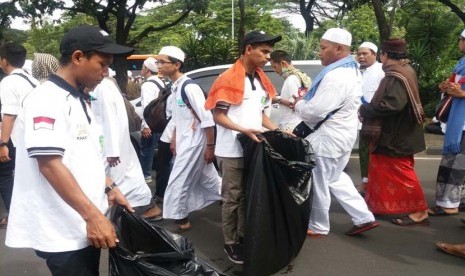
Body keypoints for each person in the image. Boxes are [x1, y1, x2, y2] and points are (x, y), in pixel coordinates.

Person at [5, 25, 134, 275]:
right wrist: (93, 217)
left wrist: (109, 187)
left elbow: (82, 156)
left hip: (83, 219)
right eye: (102, 64)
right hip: (63, 226)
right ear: (77, 57)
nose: (106, 73)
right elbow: (50, 165)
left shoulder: (79, 97)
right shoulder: (46, 99)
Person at [205, 30, 284, 264]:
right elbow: (218, 115)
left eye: (269, 52)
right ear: (249, 49)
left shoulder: (261, 80)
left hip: (254, 147)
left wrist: (278, 131)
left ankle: (244, 235)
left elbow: (260, 115)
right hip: (231, 150)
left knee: (249, 195)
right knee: (232, 197)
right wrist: (243, 130)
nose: (268, 57)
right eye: (264, 51)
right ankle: (231, 242)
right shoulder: (228, 78)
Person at [293, 28, 379, 237]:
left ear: (339, 49)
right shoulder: (352, 71)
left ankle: (319, 225)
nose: (319, 52)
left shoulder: (337, 76)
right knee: (336, 178)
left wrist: (299, 104)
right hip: (342, 137)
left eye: (323, 48)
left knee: (320, 182)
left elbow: (314, 112)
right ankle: (364, 217)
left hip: (328, 140)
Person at [359, 38, 429, 226]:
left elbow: (392, 105)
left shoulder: (395, 75)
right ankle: (378, 206)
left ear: (385, 55)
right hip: (401, 131)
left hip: (396, 135)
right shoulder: (406, 70)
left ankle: (420, 210)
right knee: (382, 170)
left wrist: (365, 110)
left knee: (401, 173)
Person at [157, 46, 221, 233]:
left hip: (196, 142)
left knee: (179, 179)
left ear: (177, 65)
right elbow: (178, 118)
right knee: (209, 179)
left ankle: (180, 217)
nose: (158, 65)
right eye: (157, 61)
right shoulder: (175, 87)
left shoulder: (189, 87)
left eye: (162, 62)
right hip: (186, 141)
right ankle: (239, 200)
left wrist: (210, 146)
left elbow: (207, 118)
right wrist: (174, 139)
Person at [87, 76, 161, 218]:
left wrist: (112, 150)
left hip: (110, 146)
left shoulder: (103, 87)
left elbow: (110, 118)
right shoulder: (102, 86)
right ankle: (145, 208)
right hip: (112, 144)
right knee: (129, 178)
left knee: (117, 180)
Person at [0, 42, 40, 228]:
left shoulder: (8, 82)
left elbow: (9, 114)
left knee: (5, 175)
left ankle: (13, 216)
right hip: (34, 136)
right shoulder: (32, 80)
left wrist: (3, 143)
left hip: (17, 139)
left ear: (4, 61)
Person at [428, 29, 465, 216]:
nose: (459, 42)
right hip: (458, 120)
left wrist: (462, 94)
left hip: (462, 123)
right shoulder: (461, 63)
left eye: (460, 39)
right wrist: (446, 87)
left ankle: (448, 204)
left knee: (454, 163)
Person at [356, 42, 385, 195]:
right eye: (359, 53)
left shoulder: (381, 70)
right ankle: (366, 183)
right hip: (361, 121)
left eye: (365, 53)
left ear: (375, 54)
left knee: (375, 155)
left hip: (376, 121)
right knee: (363, 154)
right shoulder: (358, 71)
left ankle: (372, 185)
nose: (361, 56)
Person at [269, 49, 312, 131]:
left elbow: (294, 103)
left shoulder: (291, 79)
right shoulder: (300, 76)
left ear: (283, 63)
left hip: (291, 124)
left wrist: (277, 100)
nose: (274, 70)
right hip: (296, 122)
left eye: (274, 67)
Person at [139, 57, 165, 183]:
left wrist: (146, 125)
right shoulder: (161, 83)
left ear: (147, 69)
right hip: (161, 123)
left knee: (147, 150)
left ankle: (146, 175)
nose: (141, 70)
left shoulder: (148, 85)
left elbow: (147, 107)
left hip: (152, 124)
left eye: (143, 67)